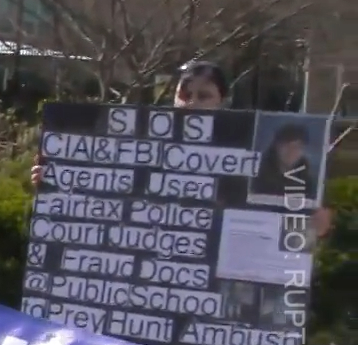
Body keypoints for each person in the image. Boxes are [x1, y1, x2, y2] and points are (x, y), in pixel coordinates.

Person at [32, 60, 333, 238]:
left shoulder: (246, 153)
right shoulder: (143, 142)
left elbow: (269, 219)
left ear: (222, 101)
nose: (192, 104)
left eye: (204, 96)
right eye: (185, 94)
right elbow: (107, 195)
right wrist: (58, 179)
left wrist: (312, 226)